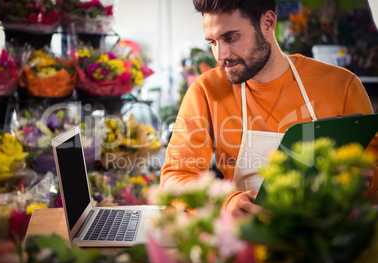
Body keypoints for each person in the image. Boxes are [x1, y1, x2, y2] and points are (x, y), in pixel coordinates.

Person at [160, 0, 378, 218]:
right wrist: (224, 203)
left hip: (325, 239)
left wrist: (363, 181)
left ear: (267, 22)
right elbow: (174, 179)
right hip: (246, 238)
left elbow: (373, 177)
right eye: (212, 42)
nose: (220, 55)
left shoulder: (342, 86)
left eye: (231, 38)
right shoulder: (206, 91)